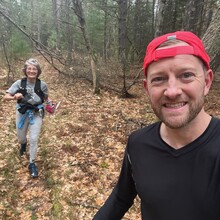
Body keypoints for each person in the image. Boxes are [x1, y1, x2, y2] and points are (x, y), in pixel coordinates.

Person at [93, 31, 220, 220]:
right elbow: (121, 198)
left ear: (207, 82)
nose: (172, 91)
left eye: (186, 75)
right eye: (159, 79)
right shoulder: (138, 143)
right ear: (147, 88)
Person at [4, 58, 48, 178]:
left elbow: (46, 98)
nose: (32, 71)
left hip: (36, 113)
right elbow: (5, 96)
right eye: (29, 68)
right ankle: (23, 144)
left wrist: (50, 105)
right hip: (22, 113)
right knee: (21, 137)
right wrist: (14, 97)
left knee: (34, 139)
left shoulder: (42, 85)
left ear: (38, 71)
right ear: (25, 70)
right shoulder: (19, 83)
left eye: (34, 69)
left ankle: (32, 163)